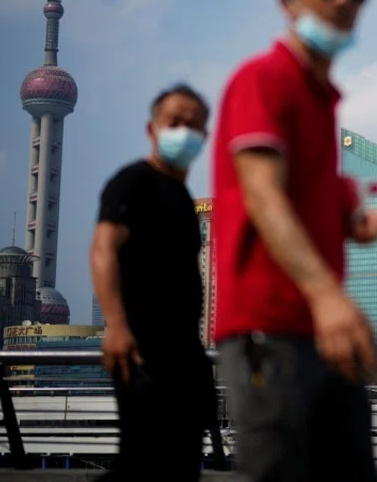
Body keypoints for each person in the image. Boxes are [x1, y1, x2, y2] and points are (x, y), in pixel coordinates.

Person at [212, 0, 377, 480]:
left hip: (324, 334)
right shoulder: (263, 78)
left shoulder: (321, 99)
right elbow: (262, 194)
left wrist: (349, 218)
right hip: (271, 333)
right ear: (286, 1)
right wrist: (328, 295)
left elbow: (301, 192)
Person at [89, 84, 218, 479]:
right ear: (152, 129)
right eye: (174, 121)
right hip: (143, 351)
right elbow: (103, 249)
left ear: (205, 137)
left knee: (180, 464)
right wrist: (116, 325)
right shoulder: (134, 182)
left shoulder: (182, 196)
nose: (184, 131)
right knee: (142, 463)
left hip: (185, 355)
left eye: (193, 125)